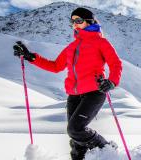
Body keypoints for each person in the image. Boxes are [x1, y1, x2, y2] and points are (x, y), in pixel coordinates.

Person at [12, 7, 122, 160]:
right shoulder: (71, 47)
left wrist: (112, 82)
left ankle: (107, 147)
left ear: (89, 21)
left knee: (75, 129)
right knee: (76, 139)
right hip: (74, 95)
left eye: (79, 20)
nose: (75, 24)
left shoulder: (101, 42)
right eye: (73, 21)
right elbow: (56, 66)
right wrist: (31, 57)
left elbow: (115, 64)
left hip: (94, 92)